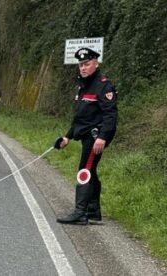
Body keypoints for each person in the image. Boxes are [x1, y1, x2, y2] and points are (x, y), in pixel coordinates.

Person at [56, 47, 118, 225]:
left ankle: (80, 212)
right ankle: (93, 210)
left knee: (84, 171)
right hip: (86, 135)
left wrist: (103, 137)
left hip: (96, 137)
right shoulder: (83, 87)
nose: (83, 68)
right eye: (81, 64)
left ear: (96, 64)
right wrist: (67, 137)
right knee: (91, 171)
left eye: (87, 64)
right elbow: (79, 118)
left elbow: (110, 115)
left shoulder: (104, 86)